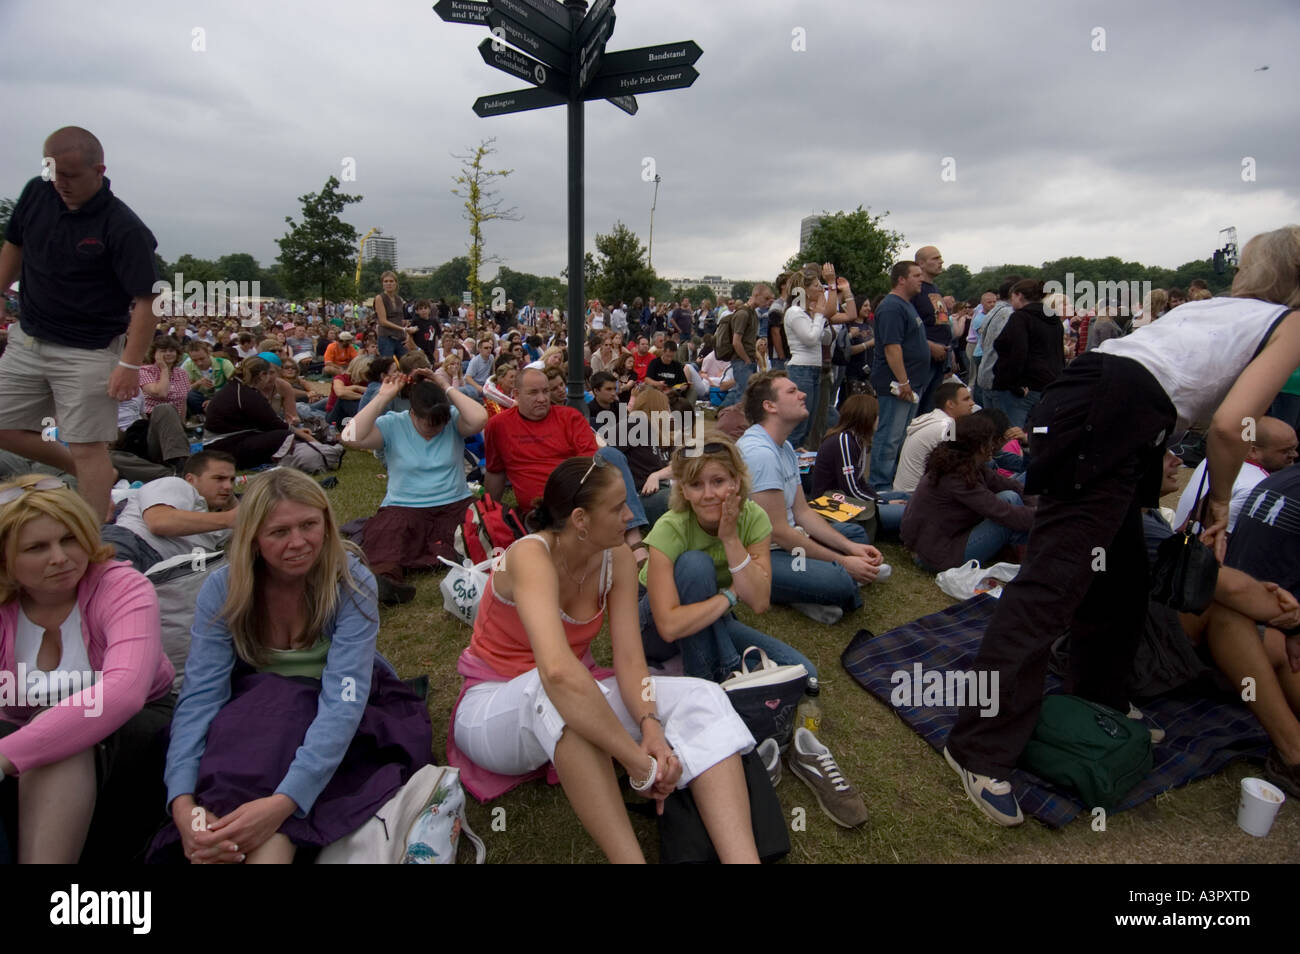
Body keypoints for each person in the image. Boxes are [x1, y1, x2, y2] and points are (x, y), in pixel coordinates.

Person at [943, 225, 1300, 827]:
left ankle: (1099, 697)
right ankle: (978, 743)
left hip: (1111, 409)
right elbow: (1230, 425)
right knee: (1051, 587)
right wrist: (1216, 507)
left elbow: (1219, 412)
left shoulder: (1218, 310)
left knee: (1121, 575)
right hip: (1109, 413)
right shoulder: (1287, 322)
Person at [448, 457, 759, 862]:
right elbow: (556, 671)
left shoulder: (620, 559)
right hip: (492, 706)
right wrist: (637, 763)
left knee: (704, 696)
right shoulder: (530, 556)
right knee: (563, 693)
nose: (631, 514)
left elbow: (630, 660)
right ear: (580, 519)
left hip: (573, 690)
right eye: (617, 508)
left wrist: (649, 724)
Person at [156, 469, 432, 863]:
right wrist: (182, 804)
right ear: (252, 538)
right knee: (244, 758)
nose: (299, 542)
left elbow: (343, 699)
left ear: (326, 522)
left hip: (335, 713)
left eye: (309, 525)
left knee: (264, 765)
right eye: (279, 532)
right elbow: (201, 696)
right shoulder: (224, 588)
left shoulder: (349, 581)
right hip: (255, 713)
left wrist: (285, 802)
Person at [0, 474, 175, 863]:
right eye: (36, 547)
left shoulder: (123, 587)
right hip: (19, 727)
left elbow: (124, 692)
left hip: (138, 725)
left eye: (69, 539)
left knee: (60, 734)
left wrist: (6, 755)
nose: (60, 557)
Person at [0, 127, 161, 523]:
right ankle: (88, 472)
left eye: (70, 176)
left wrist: (129, 365)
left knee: (89, 446)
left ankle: (91, 545)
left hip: (87, 350)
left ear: (99, 170)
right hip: (29, 337)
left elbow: (150, 300)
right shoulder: (37, 193)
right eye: (54, 174)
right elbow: (15, 245)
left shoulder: (124, 226)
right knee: (4, 426)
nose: (60, 184)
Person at [638, 435, 814, 677]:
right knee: (695, 564)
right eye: (696, 485)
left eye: (718, 481)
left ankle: (719, 670)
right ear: (685, 491)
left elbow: (759, 600)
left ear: (736, 481)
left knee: (804, 673)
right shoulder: (671, 528)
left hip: (708, 614)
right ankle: (713, 679)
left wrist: (730, 538)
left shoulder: (753, 518)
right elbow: (669, 626)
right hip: (652, 627)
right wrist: (730, 595)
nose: (708, 494)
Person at [738, 372, 884, 624]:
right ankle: (809, 588)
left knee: (856, 536)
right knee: (838, 580)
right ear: (769, 406)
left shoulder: (783, 448)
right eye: (792, 391)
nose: (803, 394)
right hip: (760, 555)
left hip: (788, 544)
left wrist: (850, 549)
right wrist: (843, 561)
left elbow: (803, 513)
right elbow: (780, 533)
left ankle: (816, 584)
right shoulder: (760, 454)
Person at [344, 369, 488, 604]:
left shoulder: (452, 420)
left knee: (486, 522)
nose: (437, 428)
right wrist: (383, 397)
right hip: (404, 506)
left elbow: (480, 418)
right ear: (413, 412)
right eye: (429, 423)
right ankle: (386, 581)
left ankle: (473, 559)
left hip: (455, 502)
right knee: (388, 534)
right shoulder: (392, 424)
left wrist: (445, 386)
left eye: (440, 423)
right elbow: (349, 436)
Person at [900, 413, 1034, 571]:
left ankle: (1034, 550)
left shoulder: (965, 465)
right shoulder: (956, 476)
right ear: (979, 445)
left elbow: (1013, 486)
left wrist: (1039, 508)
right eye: (991, 441)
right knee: (1009, 513)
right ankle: (1037, 553)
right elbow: (1002, 512)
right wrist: (1048, 516)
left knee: (1010, 496)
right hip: (936, 554)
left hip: (944, 540)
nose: (994, 446)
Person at [101, 450, 239, 573]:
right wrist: (229, 518)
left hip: (164, 573)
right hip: (134, 545)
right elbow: (159, 522)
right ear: (191, 479)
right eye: (219, 478)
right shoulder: (176, 485)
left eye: (231, 480)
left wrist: (233, 506)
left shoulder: (217, 522)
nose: (228, 486)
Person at [1171, 416, 1298, 532]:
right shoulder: (1257, 485)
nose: (1294, 455)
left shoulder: (1214, 459)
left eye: (1294, 448)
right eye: (1286, 451)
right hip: (1204, 552)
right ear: (1253, 451)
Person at [868, 261, 931, 490]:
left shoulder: (906, 305)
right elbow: (892, 347)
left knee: (901, 437)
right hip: (897, 385)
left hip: (910, 384)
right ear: (901, 279)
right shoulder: (892, 307)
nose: (921, 280)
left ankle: (893, 481)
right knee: (890, 438)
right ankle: (879, 485)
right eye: (916, 275)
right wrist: (903, 381)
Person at [811, 393, 905, 538]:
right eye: (876, 415)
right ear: (867, 417)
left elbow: (860, 483)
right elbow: (850, 488)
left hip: (851, 500)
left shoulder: (856, 440)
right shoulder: (844, 441)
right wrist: (882, 502)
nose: (879, 419)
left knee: (905, 496)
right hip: (835, 504)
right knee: (906, 511)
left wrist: (882, 500)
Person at [784, 265, 856, 450]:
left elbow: (824, 336)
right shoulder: (794, 312)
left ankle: (801, 466)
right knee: (798, 426)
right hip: (801, 370)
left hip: (814, 370)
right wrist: (818, 316)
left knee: (810, 423)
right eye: (816, 286)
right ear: (804, 290)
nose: (820, 289)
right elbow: (809, 338)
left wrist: (821, 318)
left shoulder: (809, 314)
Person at [204, 358, 313, 470]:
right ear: (262, 375)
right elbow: (273, 423)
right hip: (224, 449)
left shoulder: (236, 387)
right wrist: (303, 435)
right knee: (284, 436)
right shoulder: (246, 394)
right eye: (268, 374)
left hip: (220, 444)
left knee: (285, 433)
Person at [988, 279, 1064, 429]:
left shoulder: (1020, 318)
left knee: (1011, 434)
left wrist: (1012, 384)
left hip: (1023, 387)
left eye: (1012, 297)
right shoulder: (1055, 321)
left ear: (1019, 295)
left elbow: (1017, 352)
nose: (1011, 302)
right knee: (1038, 433)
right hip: (1049, 383)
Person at [893, 381, 977, 494]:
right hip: (913, 497)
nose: (972, 403)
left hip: (907, 491)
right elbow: (959, 468)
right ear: (950, 404)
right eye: (966, 399)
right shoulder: (946, 428)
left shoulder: (933, 419)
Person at [182, 339, 236, 420]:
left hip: (221, 397)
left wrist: (214, 401)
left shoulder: (224, 363)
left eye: (202, 359)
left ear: (208, 353)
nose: (199, 363)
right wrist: (198, 383)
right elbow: (185, 389)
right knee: (189, 395)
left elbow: (235, 385)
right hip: (202, 399)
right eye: (195, 360)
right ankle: (203, 416)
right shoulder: (188, 365)